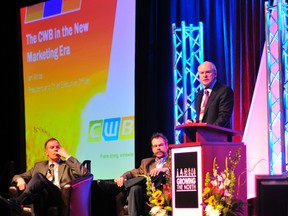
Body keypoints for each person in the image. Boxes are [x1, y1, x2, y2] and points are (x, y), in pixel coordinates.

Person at [0, 137, 90, 215]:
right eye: (52, 147)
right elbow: (17, 176)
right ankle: (20, 202)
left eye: (58, 147)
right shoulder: (39, 166)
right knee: (39, 191)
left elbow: (84, 173)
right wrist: (19, 179)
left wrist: (67, 156)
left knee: (39, 176)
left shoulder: (67, 165)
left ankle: (18, 201)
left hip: (59, 196)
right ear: (46, 152)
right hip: (42, 196)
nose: (56, 149)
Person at [114, 132, 170, 216]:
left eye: (161, 145)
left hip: (165, 195)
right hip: (147, 198)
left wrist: (164, 170)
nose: (158, 148)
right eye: (155, 146)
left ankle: (124, 185)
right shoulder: (146, 163)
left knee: (158, 176)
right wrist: (122, 177)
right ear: (152, 149)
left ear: (167, 146)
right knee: (135, 188)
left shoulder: (173, 160)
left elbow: (177, 171)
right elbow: (132, 173)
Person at [189, 61, 234, 128]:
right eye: (201, 73)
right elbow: (202, 118)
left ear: (215, 74)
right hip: (202, 136)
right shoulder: (199, 95)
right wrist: (195, 123)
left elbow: (224, 117)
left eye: (208, 72)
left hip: (218, 136)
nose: (204, 75)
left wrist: (208, 131)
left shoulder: (224, 91)